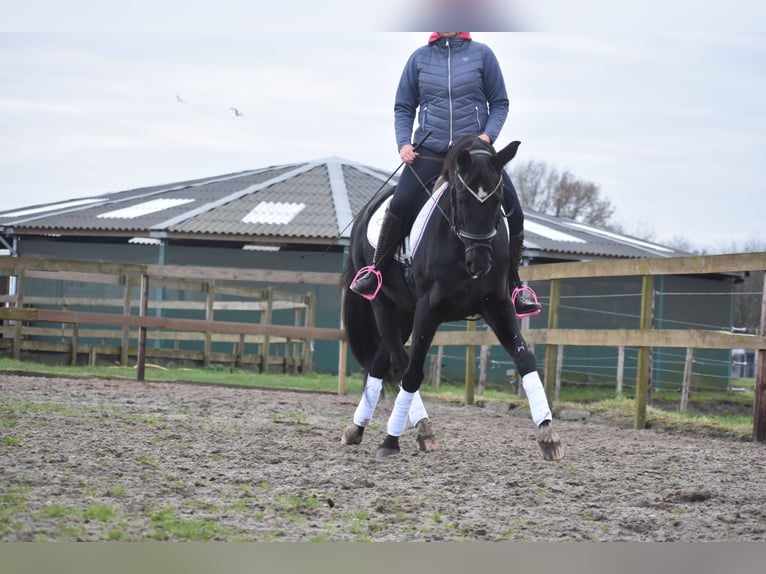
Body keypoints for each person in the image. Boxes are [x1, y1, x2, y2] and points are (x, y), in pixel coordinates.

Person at [351, 32, 541, 317]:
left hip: (474, 152)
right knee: (400, 203)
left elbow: (499, 103)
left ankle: (515, 287)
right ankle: (375, 272)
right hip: (430, 149)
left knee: (513, 208)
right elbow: (404, 107)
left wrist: (487, 137)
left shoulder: (483, 54)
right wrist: (404, 143)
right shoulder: (418, 58)